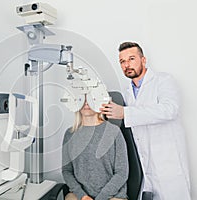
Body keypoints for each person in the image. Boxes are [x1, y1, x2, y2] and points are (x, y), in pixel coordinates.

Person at [100, 42, 191, 200]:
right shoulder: (127, 94)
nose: (127, 64)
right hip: (145, 167)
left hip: (168, 165)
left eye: (131, 59)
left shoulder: (163, 81)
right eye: (122, 61)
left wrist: (125, 113)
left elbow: (169, 110)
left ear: (143, 60)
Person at [62, 96, 129, 200]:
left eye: (90, 98)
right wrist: (82, 196)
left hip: (112, 196)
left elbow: (122, 173)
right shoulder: (70, 134)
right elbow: (67, 171)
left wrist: (101, 197)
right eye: (81, 99)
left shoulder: (113, 132)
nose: (86, 103)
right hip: (80, 196)